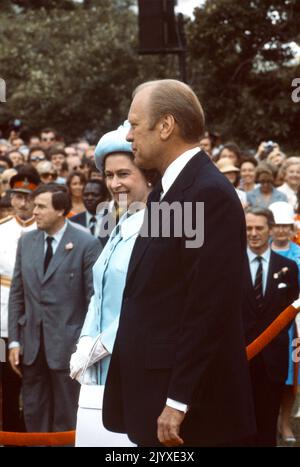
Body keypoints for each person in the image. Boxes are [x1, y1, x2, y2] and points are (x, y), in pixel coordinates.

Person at [102, 79, 256, 447]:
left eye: (134, 124)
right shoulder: (165, 192)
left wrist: (178, 400)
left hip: (187, 413)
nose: (128, 136)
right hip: (152, 395)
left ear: (166, 126)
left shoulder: (208, 194)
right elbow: (153, 286)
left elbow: (210, 306)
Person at [69, 122, 154, 446]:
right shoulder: (121, 221)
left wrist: (104, 343)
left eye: (124, 174)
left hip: (135, 360)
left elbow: (150, 299)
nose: (114, 183)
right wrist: (86, 341)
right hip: (104, 366)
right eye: (109, 175)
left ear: (147, 174)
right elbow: (99, 290)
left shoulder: (163, 224)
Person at [8, 184, 101, 433]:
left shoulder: (86, 243)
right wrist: (14, 342)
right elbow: (17, 294)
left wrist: (85, 347)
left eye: (41, 206)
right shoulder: (26, 241)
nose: (33, 211)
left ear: (61, 210)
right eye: (34, 205)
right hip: (31, 348)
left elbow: (95, 299)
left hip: (68, 350)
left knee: (66, 417)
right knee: (33, 412)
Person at [243, 207, 299, 446]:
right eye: (248, 228)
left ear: (271, 229)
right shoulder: (228, 265)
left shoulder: (288, 267)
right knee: (238, 428)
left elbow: (291, 311)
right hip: (238, 360)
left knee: (266, 430)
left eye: (259, 228)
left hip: (272, 361)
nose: (253, 233)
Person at [0, 166, 39, 431]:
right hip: (3, 319)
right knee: (6, 379)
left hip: (35, 315)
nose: (22, 202)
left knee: (34, 380)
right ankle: (11, 432)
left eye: (28, 196)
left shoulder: (46, 226)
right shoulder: (1, 228)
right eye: (17, 196)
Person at [268, 201, 300, 443]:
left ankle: (285, 422)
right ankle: (267, 419)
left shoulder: (299, 254)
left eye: (285, 226)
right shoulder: (260, 249)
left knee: (291, 378)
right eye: (277, 226)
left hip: (294, 325)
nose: (281, 231)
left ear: (292, 228)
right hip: (264, 325)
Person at [70, 179, 110, 245]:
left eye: (95, 195)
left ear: (106, 197)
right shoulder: (72, 222)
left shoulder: (115, 220)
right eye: (86, 195)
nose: (90, 198)